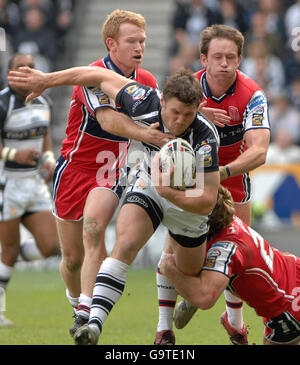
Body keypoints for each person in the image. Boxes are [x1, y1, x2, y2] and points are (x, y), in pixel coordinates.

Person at [8, 63, 221, 345]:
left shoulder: (205, 137)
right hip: (150, 184)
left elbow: (206, 201)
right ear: (163, 101)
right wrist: (47, 79)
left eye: (188, 114)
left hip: (188, 204)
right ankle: (93, 325)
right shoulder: (144, 99)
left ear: (198, 109)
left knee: (192, 283)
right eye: (174, 112)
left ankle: (167, 304)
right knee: (125, 244)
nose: (180, 120)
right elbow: (96, 75)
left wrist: (170, 192)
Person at [10, 10, 173, 337]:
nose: (139, 46)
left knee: (95, 226)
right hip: (73, 168)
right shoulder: (92, 74)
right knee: (71, 259)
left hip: (109, 168)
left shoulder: (148, 82)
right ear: (111, 43)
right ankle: (76, 301)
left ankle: (87, 313)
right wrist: (149, 135)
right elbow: (110, 120)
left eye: (142, 40)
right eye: (132, 41)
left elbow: (165, 115)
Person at [155, 24, 271, 345]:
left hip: (232, 179)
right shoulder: (188, 89)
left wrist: (221, 172)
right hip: (190, 177)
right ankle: (163, 330)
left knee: (238, 253)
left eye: (231, 57)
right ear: (203, 58)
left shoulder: (252, 95)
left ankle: (234, 322)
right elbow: (162, 123)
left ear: (240, 59)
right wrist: (197, 112)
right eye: (217, 56)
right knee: (173, 249)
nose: (224, 63)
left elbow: (260, 150)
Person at [159, 185, 300, 345]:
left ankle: (233, 323)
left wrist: (168, 267)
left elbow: (205, 298)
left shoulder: (224, 248)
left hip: (287, 306)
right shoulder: (227, 220)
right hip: (293, 274)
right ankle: (233, 323)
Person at [0, 53, 59, 326]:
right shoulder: (3, 102)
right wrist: (13, 154)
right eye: (20, 67)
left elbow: (45, 138)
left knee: (51, 246)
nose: (27, 71)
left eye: (32, 67)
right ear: (10, 72)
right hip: (7, 184)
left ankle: (7, 257)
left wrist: (48, 160)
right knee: (9, 248)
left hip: (34, 185)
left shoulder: (43, 100)